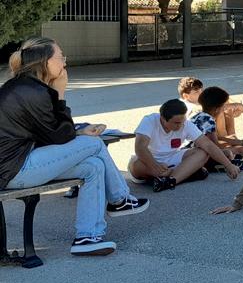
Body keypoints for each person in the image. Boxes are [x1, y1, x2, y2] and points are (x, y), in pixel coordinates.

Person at [0, 37, 148, 256]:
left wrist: (78, 131)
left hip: (18, 164)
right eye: (61, 57)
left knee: (93, 166)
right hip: (15, 170)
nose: (65, 63)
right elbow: (59, 137)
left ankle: (87, 237)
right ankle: (119, 199)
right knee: (94, 143)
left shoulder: (23, 86)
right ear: (46, 62)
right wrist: (60, 93)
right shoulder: (33, 92)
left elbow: (50, 132)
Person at [129, 99, 241, 191]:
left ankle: (170, 181)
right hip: (150, 160)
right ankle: (184, 173)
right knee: (135, 166)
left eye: (182, 121)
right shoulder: (149, 121)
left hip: (172, 158)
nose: (181, 126)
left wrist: (228, 165)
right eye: (177, 123)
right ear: (162, 118)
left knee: (202, 152)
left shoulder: (185, 124)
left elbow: (208, 145)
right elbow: (140, 148)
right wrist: (155, 166)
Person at [190, 86, 243, 163]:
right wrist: (238, 147)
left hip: (193, 151)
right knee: (239, 150)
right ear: (217, 109)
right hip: (196, 154)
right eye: (223, 106)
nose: (224, 109)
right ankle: (225, 164)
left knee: (232, 140)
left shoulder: (200, 116)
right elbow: (215, 147)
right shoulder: (209, 120)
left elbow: (216, 138)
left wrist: (241, 142)